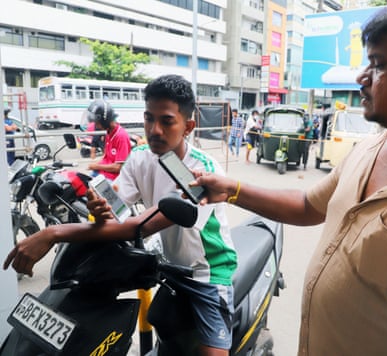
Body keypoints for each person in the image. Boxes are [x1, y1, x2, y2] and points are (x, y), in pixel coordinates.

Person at [189, 1, 387, 354]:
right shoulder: (368, 148)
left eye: (379, 64)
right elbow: (309, 205)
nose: (362, 77)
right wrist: (232, 189)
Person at [4, 74, 237, 356]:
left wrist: (52, 233)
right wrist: (101, 212)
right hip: (167, 267)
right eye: (149, 119)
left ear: (188, 126)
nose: (155, 130)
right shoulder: (141, 156)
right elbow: (117, 209)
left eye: (166, 121)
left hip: (206, 275)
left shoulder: (202, 173)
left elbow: (137, 227)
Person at [86, 99, 131, 180]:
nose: (95, 125)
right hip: (103, 173)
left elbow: (119, 167)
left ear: (104, 121)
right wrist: (97, 164)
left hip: (113, 178)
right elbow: (107, 157)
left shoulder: (121, 136)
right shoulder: (109, 133)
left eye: (97, 123)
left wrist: (97, 166)